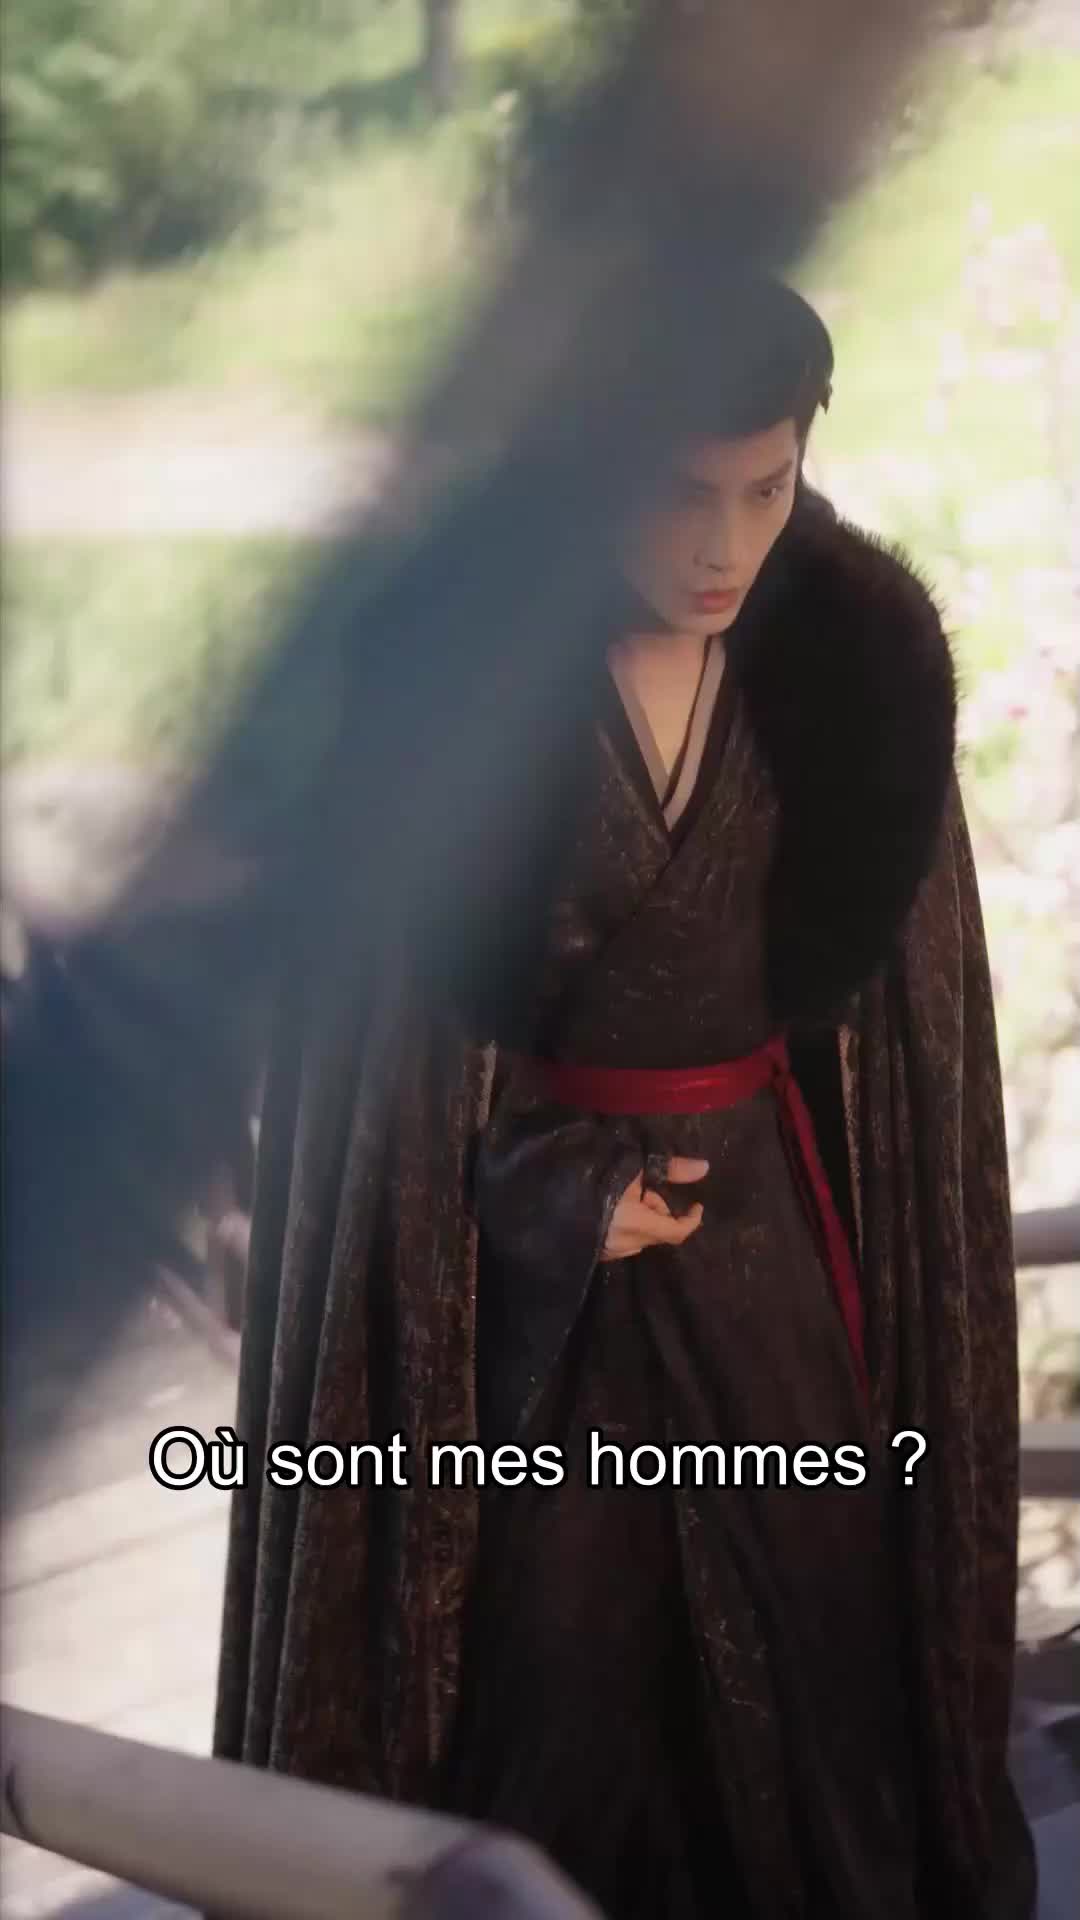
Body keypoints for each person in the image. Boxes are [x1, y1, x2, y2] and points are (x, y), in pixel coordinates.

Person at [214, 280, 1035, 1919]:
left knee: (816, 1620)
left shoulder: (856, 676)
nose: (721, 544)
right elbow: (380, 1092)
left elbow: (913, 1036)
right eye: (673, 491)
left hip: (768, 1247)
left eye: (765, 489)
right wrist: (553, 1198)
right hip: (529, 1291)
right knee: (551, 1648)